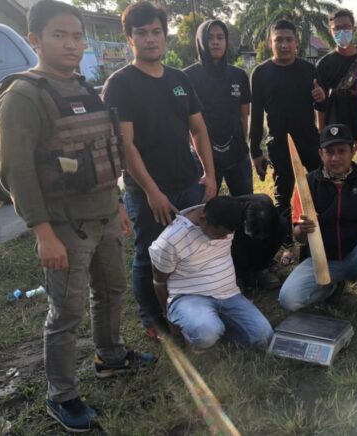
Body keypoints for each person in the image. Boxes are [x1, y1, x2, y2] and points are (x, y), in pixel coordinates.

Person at [0, 1, 155, 431]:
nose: (71, 44)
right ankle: (61, 395)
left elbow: (105, 151)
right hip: (65, 226)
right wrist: (42, 232)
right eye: (59, 35)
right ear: (34, 40)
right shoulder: (24, 96)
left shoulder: (84, 87)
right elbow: (17, 171)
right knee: (64, 313)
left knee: (112, 290)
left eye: (77, 36)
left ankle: (111, 356)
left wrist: (118, 203)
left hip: (104, 214)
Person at [102, 1, 217, 338]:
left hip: (188, 181)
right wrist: (152, 192)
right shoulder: (120, 84)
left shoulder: (179, 79)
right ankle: (152, 317)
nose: (150, 39)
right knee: (150, 254)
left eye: (156, 32)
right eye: (141, 33)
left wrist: (209, 174)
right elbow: (126, 145)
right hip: (147, 190)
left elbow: (199, 130)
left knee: (191, 246)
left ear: (165, 37)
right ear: (129, 38)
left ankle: (187, 302)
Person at [278, 124, 357, 328]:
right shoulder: (307, 183)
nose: (335, 158)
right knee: (289, 299)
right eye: (329, 152)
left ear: (353, 151)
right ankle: (331, 286)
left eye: (342, 151)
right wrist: (302, 229)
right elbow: (298, 235)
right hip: (322, 260)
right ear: (321, 154)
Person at [149, 196, 273, 352]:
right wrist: (170, 321)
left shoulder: (226, 220)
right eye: (218, 234)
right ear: (202, 219)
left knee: (263, 336)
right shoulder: (170, 240)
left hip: (229, 295)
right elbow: (159, 282)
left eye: (228, 234)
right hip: (189, 297)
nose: (224, 238)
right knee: (206, 333)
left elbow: (255, 202)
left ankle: (216, 331)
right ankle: (201, 331)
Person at [249, 19, 326, 265]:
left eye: (288, 40)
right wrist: (254, 151)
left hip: (308, 140)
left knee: (319, 188)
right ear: (270, 43)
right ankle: (287, 245)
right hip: (279, 143)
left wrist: (322, 98)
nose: (283, 45)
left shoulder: (308, 70)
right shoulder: (260, 73)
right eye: (278, 40)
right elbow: (256, 114)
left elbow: (321, 105)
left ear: (297, 42)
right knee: (283, 195)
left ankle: (320, 239)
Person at [184, 20, 253, 196]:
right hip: (203, 159)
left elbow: (244, 115)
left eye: (220, 37)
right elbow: (187, 123)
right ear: (200, 41)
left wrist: (241, 144)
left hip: (237, 155)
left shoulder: (239, 75)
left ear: (226, 41)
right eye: (210, 38)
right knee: (206, 211)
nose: (215, 42)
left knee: (246, 204)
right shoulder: (187, 77)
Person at [315, 8, 357, 149]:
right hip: (337, 129)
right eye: (337, 28)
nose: (342, 32)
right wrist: (322, 134)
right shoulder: (324, 64)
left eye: (346, 27)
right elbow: (320, 105)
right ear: (330, 31)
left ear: (353, 29)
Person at [232, 194, 288, 289]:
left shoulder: (271, 215)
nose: (260, 238)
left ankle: (260, 269)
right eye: (258, 236)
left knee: (282, 226)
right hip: (237, 241)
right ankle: (236, 275)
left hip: (262, 231)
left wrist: (288, 248)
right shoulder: (233, 213)